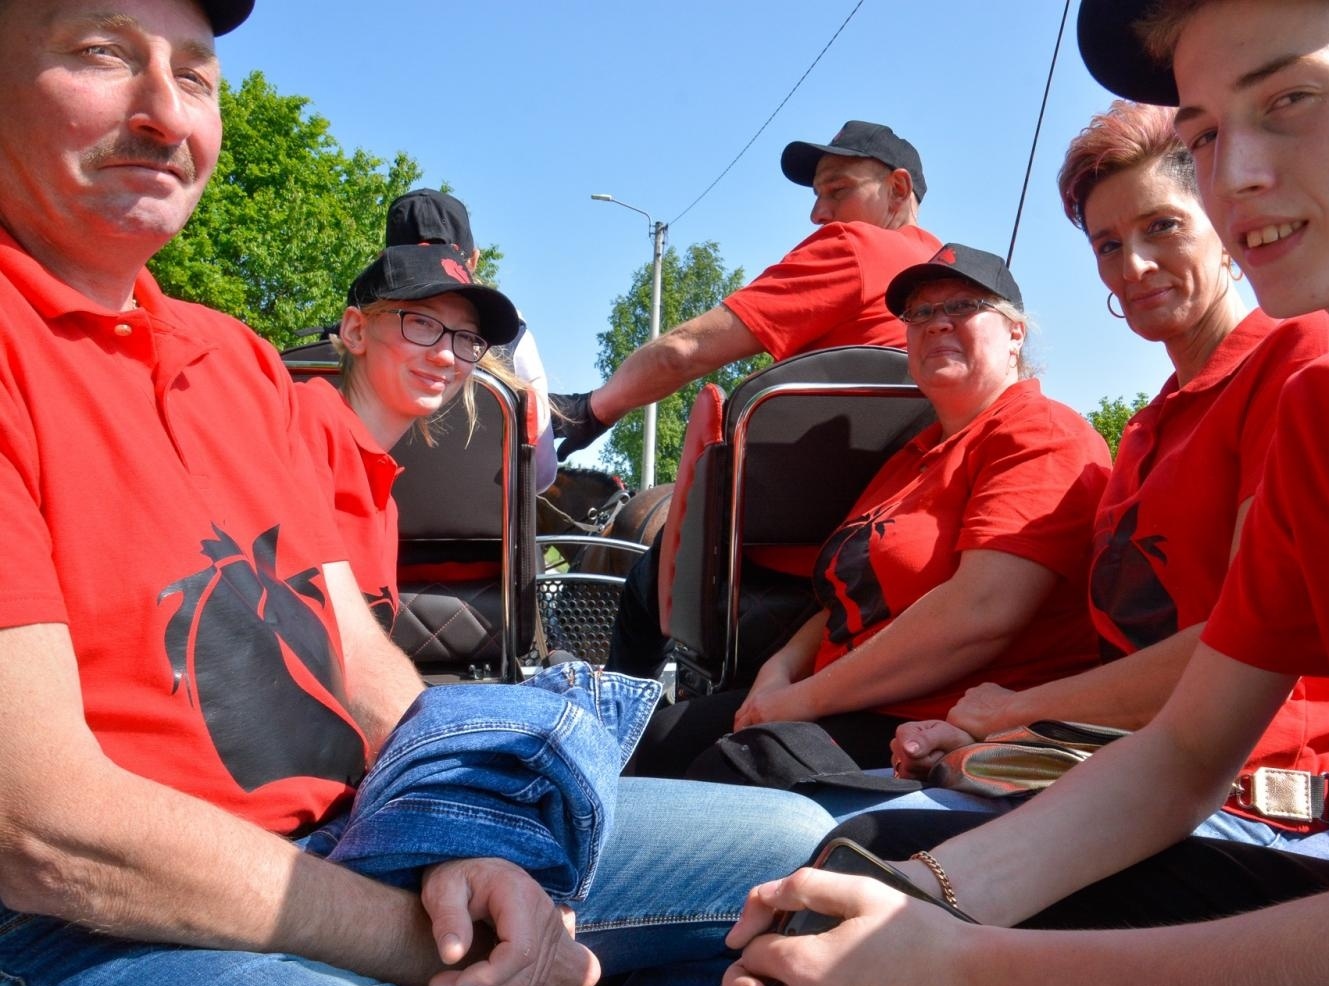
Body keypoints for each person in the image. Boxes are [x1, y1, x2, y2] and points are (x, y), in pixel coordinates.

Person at [721, 1, 1329, 986]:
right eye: (1206, 137)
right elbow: (1183, 751)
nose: (1234, 180)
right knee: (842, 910)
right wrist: (925, 896)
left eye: (1289, 100)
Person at [0, 2, 837, 986]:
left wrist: (460, 834)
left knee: (791, 861)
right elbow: (38, 831)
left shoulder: (236, 363)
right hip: (85, 923)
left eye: (198, 75)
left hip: (347, 832)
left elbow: (354, 650)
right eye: (102, 54)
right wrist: (435, 945)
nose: (167, 114)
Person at [893, 102, 1329, 863]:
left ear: (1227, 224)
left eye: (1162, 227)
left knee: (859, 864)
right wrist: (990, 728)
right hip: (1129, 774)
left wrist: (1009, 713)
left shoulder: (1298, 359)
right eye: (1108, 245)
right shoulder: (1146, 428)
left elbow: (1243, 638)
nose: (1132, 266)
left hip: (1268, 814)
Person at [629, 244, 1110, 777]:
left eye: (962, 307)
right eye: (920, 313)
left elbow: (982, 613)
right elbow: (844, 599)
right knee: (637, 745)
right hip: (841, 702)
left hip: (932, 728)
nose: (936, 324)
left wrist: (802, 700)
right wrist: (779, 669)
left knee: (721, 772)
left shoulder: (1041, 433)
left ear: (1015, 333)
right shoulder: (913, 455)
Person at [564, 119, 946, 679]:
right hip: (893, 552)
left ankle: (624, 741)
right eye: (817, 196)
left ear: (897, 189)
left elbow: (685, 351)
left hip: (776, 556)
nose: (818, 215)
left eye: (836, 190)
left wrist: (591, 409)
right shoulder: (959, 286)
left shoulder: (855, 247)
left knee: (645, 585)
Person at [295, 243, 521, 628]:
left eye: (466, 339)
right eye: (421, 322)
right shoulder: (303, 424)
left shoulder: (382, 494)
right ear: (355, 330)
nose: (447, 356)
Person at [385, 186, 558, 494]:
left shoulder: (343, 340)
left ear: (385, 259)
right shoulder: (514, 338)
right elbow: (540, 475)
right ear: (474, 260)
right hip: (484, 539)